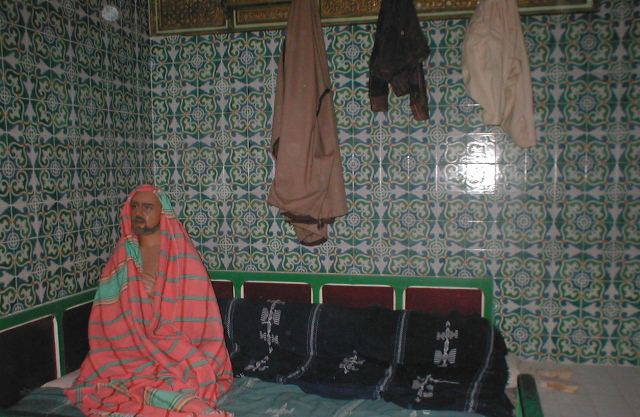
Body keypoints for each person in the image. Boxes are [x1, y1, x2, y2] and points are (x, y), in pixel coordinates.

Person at [66, 184, 233, 417]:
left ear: (162, 212)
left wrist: (156, 296)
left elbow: (200, 319)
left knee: (184, 377)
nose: (138, 212)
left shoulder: (183, 257)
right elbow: (107, 314)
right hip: (130, 350)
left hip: (174, 347)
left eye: (147, 207)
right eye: (134, 206)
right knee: (103, 369)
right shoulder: (122, 255)